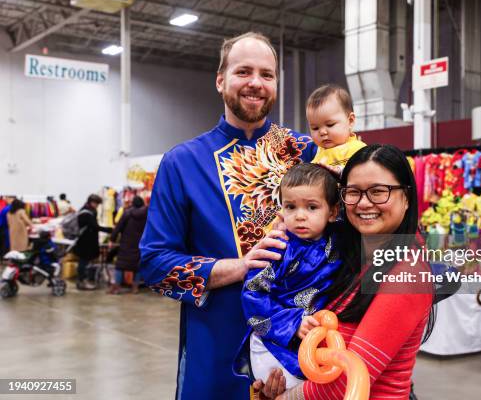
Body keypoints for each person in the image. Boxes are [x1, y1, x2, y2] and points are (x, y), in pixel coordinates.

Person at [139, 31, 316, 399]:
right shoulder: (182, 162)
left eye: (267, 75)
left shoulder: (307, 152)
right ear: (220, 81)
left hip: (302, 351)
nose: (256, 83)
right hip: (215, 351)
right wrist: (240, 266)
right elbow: (154, 264)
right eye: (243, 72)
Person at [253, 145, 434, 400]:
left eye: (379, 191)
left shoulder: (407, 276)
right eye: (353, 192)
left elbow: (343, 384)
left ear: (406, 197)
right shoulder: (349, 256)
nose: (363, 203)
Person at [236, 163, 342, 388]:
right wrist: (292, 323)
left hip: (313, 338)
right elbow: (252, 294)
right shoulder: (276, 248)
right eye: (291, 207)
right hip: (274, 342)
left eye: (312, 207)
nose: (300, 216)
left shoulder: (339, 239)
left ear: (332, 212)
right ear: (281, 210)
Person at [307, 84, 366, 167]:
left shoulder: (358, 150)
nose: (322, 132)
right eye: (315, 128)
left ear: (350, 121)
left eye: (330, 125)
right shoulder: (319, 153)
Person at [108, 196, 148, 294]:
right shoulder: (147, 214)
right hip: (140, 244)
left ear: (133, 203)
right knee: (137, 266)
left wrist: (112, 239)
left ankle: (117, 288)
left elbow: (118, 227)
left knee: (120, 266)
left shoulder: (127, 213)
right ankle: (135, 288)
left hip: (126, 243)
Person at [73, 194, 112, 291]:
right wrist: (109, 230)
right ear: (92, 202)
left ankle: (82, 281)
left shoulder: (86, 210)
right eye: (97, 204)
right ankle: (82, 282)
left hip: (85, 241)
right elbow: (94, 226)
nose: (97, 206)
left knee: (84, 261)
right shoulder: (87, 213)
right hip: (85, 242)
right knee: (83, 261)